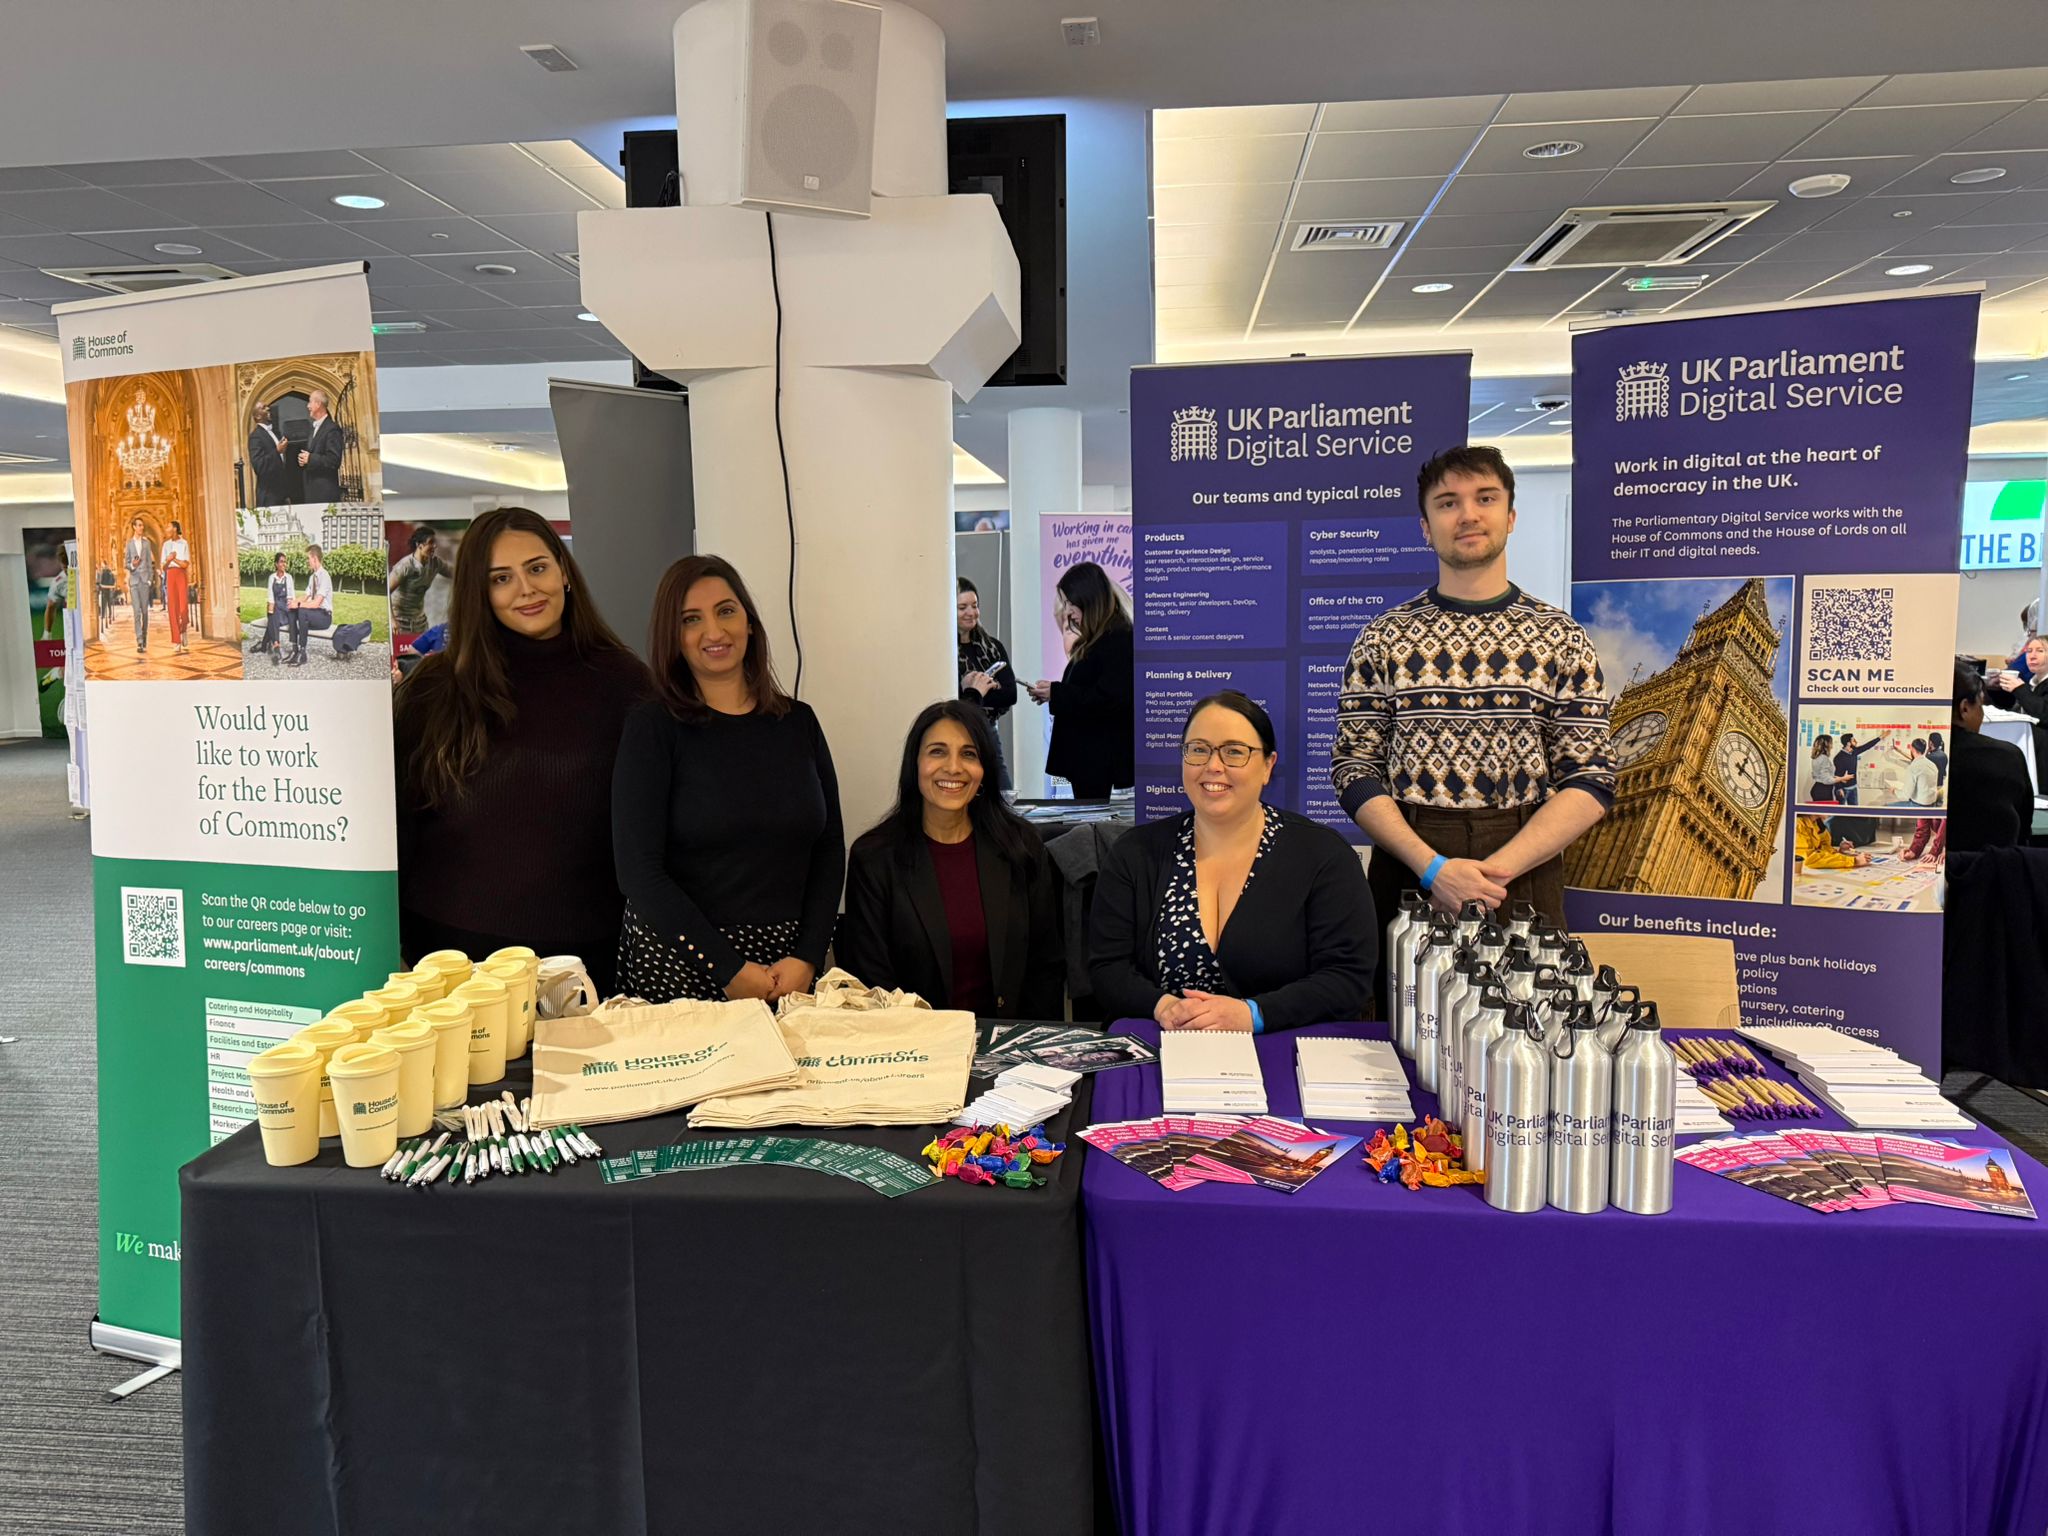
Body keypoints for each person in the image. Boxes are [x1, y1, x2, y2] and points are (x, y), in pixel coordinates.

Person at [1331, 445, 1612, 943]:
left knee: (1530, 1015)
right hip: (1410, 864)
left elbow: (1591, 780)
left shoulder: (1562, 638)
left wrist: (1493, 874)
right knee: (1399, 1017)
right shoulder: (1382, 637)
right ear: (1425, 526)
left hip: (1524, 866)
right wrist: (1435, 868)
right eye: (1447, 502)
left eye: (1485, 498)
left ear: (1510, 517)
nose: (1468, 514)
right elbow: (1354, 769)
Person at [393, 506, 651, 993]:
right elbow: (401, 822)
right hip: (452, 962)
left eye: (537, 568)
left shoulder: (626, 684)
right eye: (501, 578)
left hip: (585, 960)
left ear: (563, 570)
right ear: (479, 592)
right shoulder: (436, 687)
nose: (527, 589)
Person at [612, 554, 844, 1004]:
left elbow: (829, 848)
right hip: (681, 960)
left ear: (749, 623)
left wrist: (809, 955)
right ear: (673, 637)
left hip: (787, 966)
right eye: (691, 619)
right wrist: (726, 968)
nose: (714, 632)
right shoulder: (653, 727)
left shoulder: (799, 722)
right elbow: (638, 872)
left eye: (726, 611)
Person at [1090, 690, 1375, 1031]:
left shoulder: (1323, 856)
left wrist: (1253, 1014)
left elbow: (1348, 978)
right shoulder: (1135, 853)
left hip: (1283, 1052)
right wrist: (1164, 1007)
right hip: (1165, 1047)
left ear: (1268, 765)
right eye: (1198, 750)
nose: (1213, 766)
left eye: (1234, 752)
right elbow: (1108, 968)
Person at [838, 700, 1064, 1017]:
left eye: (968, 754)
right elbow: (871, 985)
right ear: (915, 764)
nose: (954, 768)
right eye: (937, 751)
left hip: (1009, 1046)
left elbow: (1045, 968)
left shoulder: (1021, 846)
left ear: (984, 770)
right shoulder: (874, 858)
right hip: (914, 1048)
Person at [1027, 561, 1133, 797]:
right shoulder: (1100, 637)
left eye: (1069, 602)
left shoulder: (1118, 638)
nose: (1068, 611)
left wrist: (1058, 693)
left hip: (1099, 761)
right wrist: (1054, 693)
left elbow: (1109, 698)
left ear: (1087, 598)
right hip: (1088, 760)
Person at [1950, 661, 2034, 853]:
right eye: (1980, 705)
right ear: (1965, 708)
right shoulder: (2006, 756)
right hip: (1994, 874)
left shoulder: (1913, 754)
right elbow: (2022, 831)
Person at [956, 576, 1018, 790]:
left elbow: (1011, 694)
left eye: (974, 605)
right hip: (958, 734)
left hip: (988, 731)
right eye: (962, 607)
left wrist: (974, 691)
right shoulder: (943, 652)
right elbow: (952, 699)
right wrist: (986, 689)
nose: (971, 613)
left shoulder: (993, 647)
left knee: (1003, 792)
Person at [1988, 636, 2048, 771]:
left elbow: (2043, 713)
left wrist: (2019, 689)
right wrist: (1996, 689)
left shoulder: (2029, 685)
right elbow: (2008, 707)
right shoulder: (2032, 682)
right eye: (2028, 651)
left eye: (2040, 651)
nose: (2032, 656)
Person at [388, 525, 454, 637]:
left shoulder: (435, 563)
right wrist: (392, 620)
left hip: (420, 623)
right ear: (419, 545)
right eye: (431, 542)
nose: (434, 546)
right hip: (400, 624)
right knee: (405, 654)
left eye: (435, 542)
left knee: (423, 653)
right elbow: (386, 591)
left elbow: (455, 572)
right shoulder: (405, 566)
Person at [285, 544, 333, 667]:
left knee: (302, 610)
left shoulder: (324, 576)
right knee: (292, 610)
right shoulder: (312, 577)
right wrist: (294, 602)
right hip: (313, 614)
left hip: (324, 616)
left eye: (308, 558)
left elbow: (317, 603)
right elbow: (306, 596)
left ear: (314, 558)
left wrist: (299, 605)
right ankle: (295, 649)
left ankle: (303, 652)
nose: (307, 561)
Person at [248, 402, 299, 507]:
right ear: (257, 416)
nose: (268, 408)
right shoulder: (255, 437)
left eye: (267, 406)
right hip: (269, 497)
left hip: (282, 495)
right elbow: (259, 466)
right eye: (264, 408)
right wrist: (277, 451)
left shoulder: (275, 433)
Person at [298, 390, 344, 504]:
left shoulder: (332, 429)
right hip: (312, 492)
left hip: (325, 494)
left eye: (310, 402)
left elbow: (334, 460)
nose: (308, 406)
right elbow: (312, 455)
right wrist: (304, 460)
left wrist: (311, 458)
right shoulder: (313, 429)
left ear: (318, 404)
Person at [1795, 815, 1872, 871]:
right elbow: (1809, 859)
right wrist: (1854, 861)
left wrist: (1839, 850)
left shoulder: (1818, 823)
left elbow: (1822, 849)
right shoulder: (1798, 824)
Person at [255, 552, 294, 663]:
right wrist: (271, 610)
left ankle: (264, 645)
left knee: (272, 621)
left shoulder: (289, 578)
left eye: (285, 561)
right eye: (281, 561)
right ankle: (276, 644)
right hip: (275, 606)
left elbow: (291, 596)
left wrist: (291, 609)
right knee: (273, 613)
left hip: (285, 608)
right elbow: (270, 597)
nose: (284, 564)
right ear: (276, 564)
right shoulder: (272, 577)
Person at [123, 516, 153, 652]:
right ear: (134, 527)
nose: (141, 527)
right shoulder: (129, 544)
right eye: (139, 525)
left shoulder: (147, 544)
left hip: (144, 581)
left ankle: (145, 637)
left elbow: (149, 564)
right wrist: (132, 565)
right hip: (134, 581)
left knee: (145, 612)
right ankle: (139, 641)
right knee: (136, 612)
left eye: (142, 525)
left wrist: (150, 580)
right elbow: (126, 563)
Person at [160, 518, 191, 655]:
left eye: (168, 527)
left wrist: (174, 559)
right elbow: (163, 567)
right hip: (170, 575)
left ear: (175, 529)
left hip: (181, 575)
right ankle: (177, 640)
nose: (167, 529)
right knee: (173, 608)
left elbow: (185, 564)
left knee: (183, 607)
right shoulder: (166, 545)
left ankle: (183, 629)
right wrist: (168, 561)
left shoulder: (184, 543)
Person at [1886, 737, 1942, 810]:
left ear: (1912, 748)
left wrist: (1894, 791)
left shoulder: (1913, 767)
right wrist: (1899, 751)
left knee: (1886, 807)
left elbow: (1905, 795)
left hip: (1918, 805)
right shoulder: (1932, 765)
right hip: (1931, 804)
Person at [1832, 732, 1883, 806]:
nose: (1856, 741)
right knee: (1840, 812)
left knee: (1854, 811)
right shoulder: (1839, 757)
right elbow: (1837, 774)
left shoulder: (1854, 752)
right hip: (1843, 789)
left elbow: (1867, 746)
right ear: (1848, 743)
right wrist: (1838, 789)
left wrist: (1880, 737)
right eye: (1853, 740)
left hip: (1853, 787)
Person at [1805, 735, 1837, 804]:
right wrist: (1842, 778)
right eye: (1831, 744)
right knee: (1825, 814)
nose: (1832, 746)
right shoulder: (1824, 758)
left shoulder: (1816, 757)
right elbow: (1826, 780)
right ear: (1826, 745)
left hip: (1818, 789)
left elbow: (1819, 775)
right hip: (1823, 791)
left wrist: (1836, 777)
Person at [95, 560, 116, 634]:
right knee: (109, 604)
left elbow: (100, 581)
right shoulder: (110, 573)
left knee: (104, 604)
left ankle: (104, 615)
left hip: (104, 589)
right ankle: (109, 615)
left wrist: (100, 587)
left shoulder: (103, 572)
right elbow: (114, 581)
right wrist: (113, 587)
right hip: (109, 589)